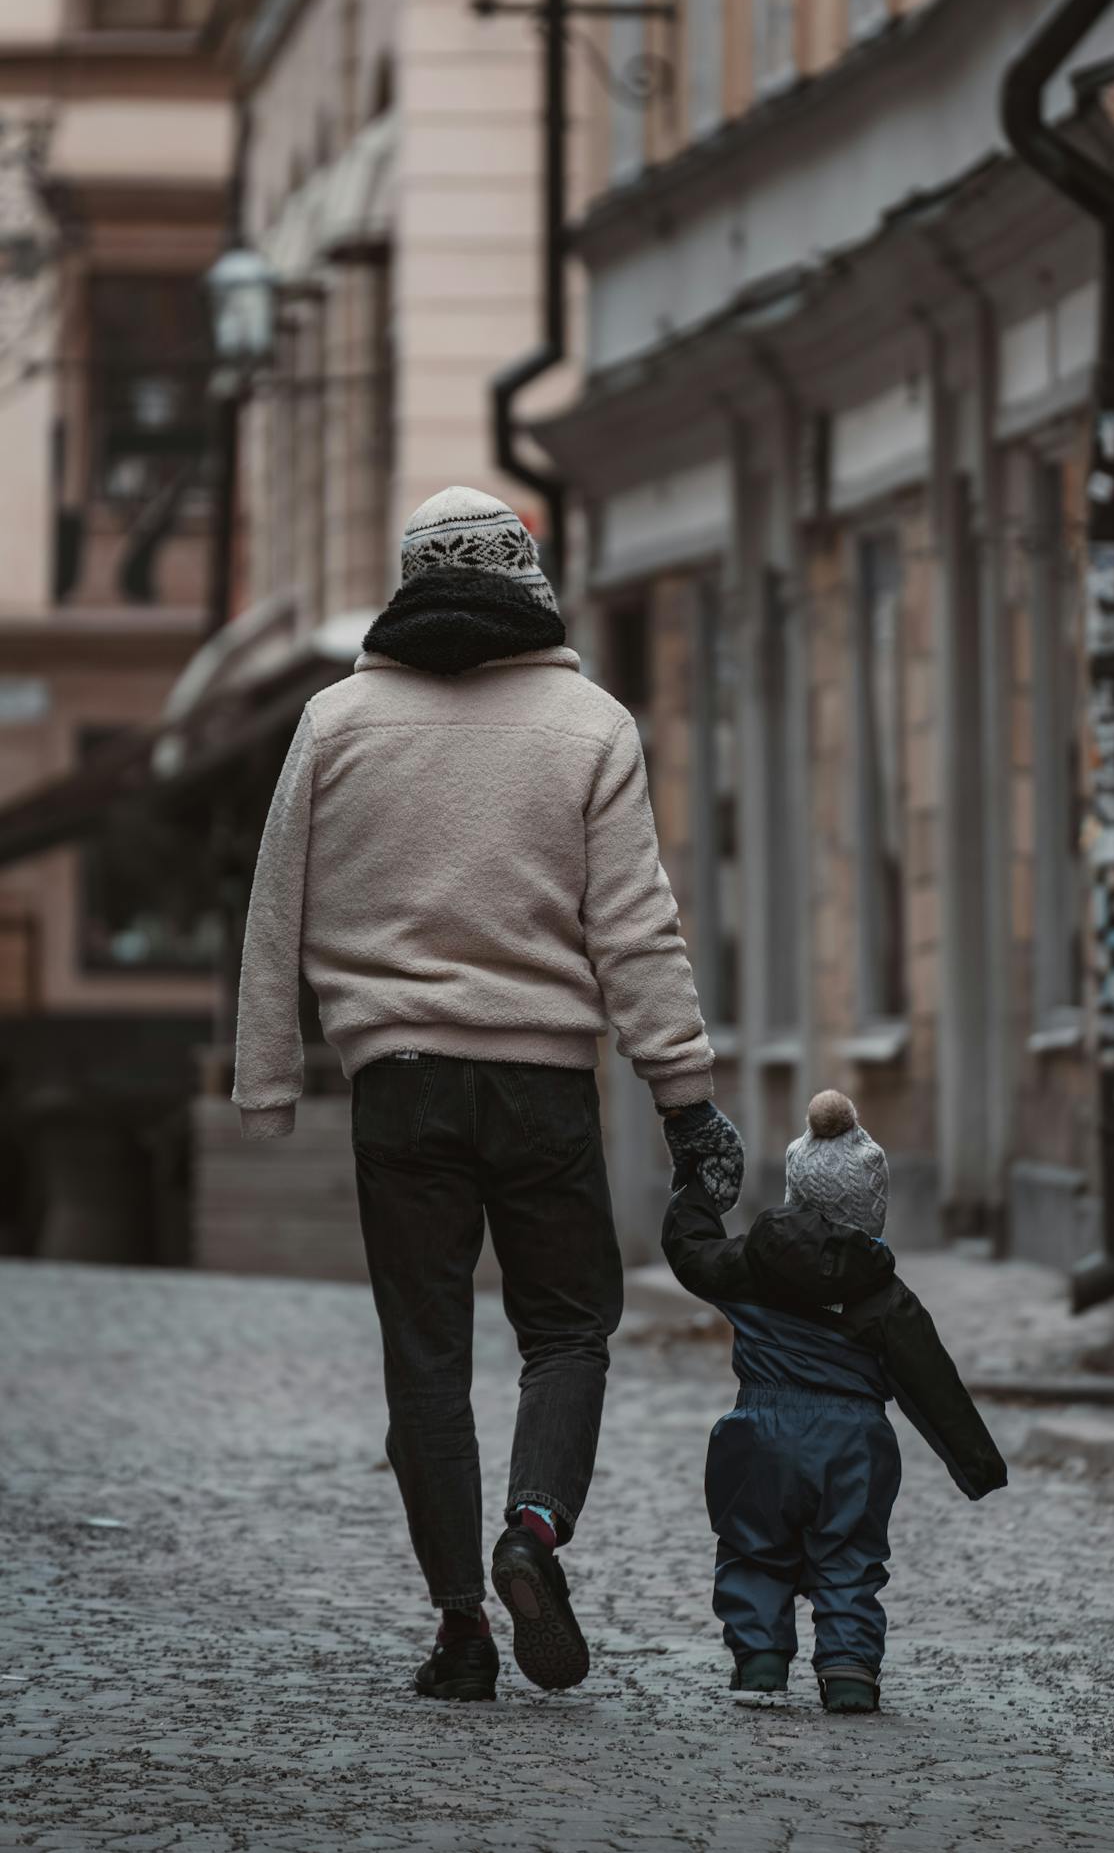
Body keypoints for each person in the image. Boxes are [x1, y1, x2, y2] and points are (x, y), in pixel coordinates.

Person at [231, 486, 744, 1702]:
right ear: (528, 578)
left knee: (425, 1351)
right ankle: (535, 1530)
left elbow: (272, 909)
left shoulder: (334, 722)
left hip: (396, 1086)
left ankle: (461, 1625)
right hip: (543, 1085)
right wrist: (685, 1096)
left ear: (408, 583)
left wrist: (270, 1080)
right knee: (566, 1327)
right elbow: (636, 930)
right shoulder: (589, 723)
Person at [661, 1088, 1007, 1714]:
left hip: (759, 1434)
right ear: (872, 1208)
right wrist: (977, 1465)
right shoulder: (883, 1295)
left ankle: (760, 1660)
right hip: (853, 1444)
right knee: (848, 1557)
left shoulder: (752, 1264)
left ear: (796, 1191)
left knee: (752, 1546)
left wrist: (698, 1192)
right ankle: (848, 1671)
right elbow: (933, 1386)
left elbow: (691, 1256)